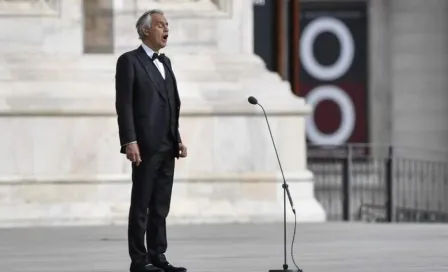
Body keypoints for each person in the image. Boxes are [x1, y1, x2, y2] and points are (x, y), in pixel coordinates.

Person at [115, 9, 188, 272]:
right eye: (160, 25)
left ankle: (158, 255)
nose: (166, 29)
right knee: (142, 204)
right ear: (146, 30)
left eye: (167, 24)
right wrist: (129, 140)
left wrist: (177, 137)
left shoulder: (166, 63)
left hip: (168, 145)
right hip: (144, 146)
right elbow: (124, 105)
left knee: (160, 205)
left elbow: (171, 103)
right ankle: (139, 260)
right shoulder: (129, 61)